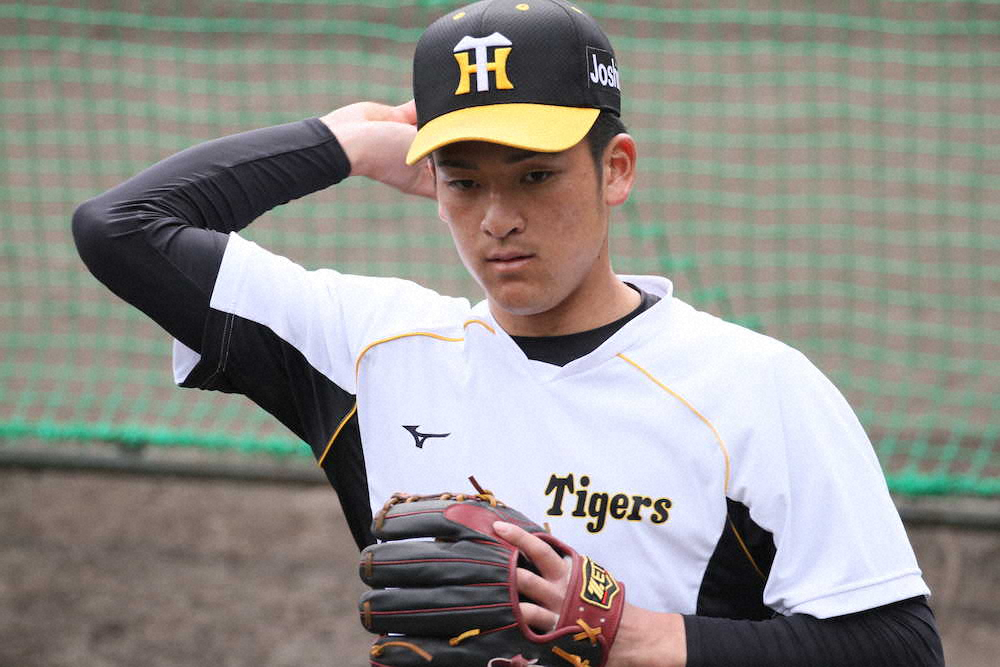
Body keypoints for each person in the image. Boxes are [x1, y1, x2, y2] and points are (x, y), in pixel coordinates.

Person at [73, 0, 945, 664]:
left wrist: (629, 633)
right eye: (463, 181)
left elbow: (899, 646)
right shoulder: (372, 350)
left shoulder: (755, 387)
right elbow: (121, 229)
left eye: (534, 176)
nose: (497, 218)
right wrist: (344, 144)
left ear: (616, 169)